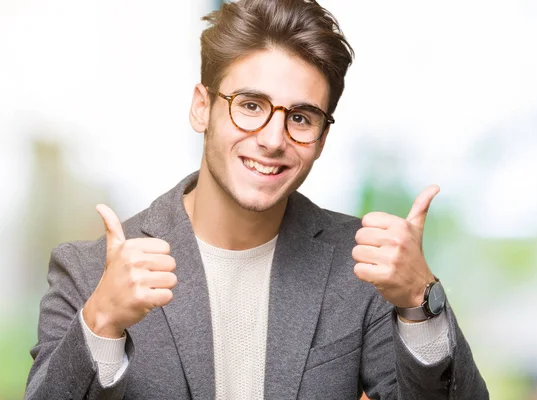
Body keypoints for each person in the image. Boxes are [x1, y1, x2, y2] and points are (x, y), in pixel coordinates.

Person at [25, 0, 488, 398]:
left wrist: (419, 302)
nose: (272, 139)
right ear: (202, 107)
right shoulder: (90, 273)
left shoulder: (363, 265)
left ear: (322, 139)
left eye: (302, 118)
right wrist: (102, 321)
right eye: (250, 105)